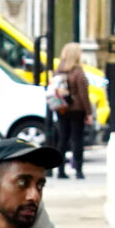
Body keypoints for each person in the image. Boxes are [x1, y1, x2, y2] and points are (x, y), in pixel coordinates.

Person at [46, 43, 93, 179]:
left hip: (61, 108)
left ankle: (60, 170)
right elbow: (84, 94)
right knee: (77, 139)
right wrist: (88, 112)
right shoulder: (78, 72)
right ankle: (78, 169)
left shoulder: (58, 71)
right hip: (77, 110)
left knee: (63, 139)